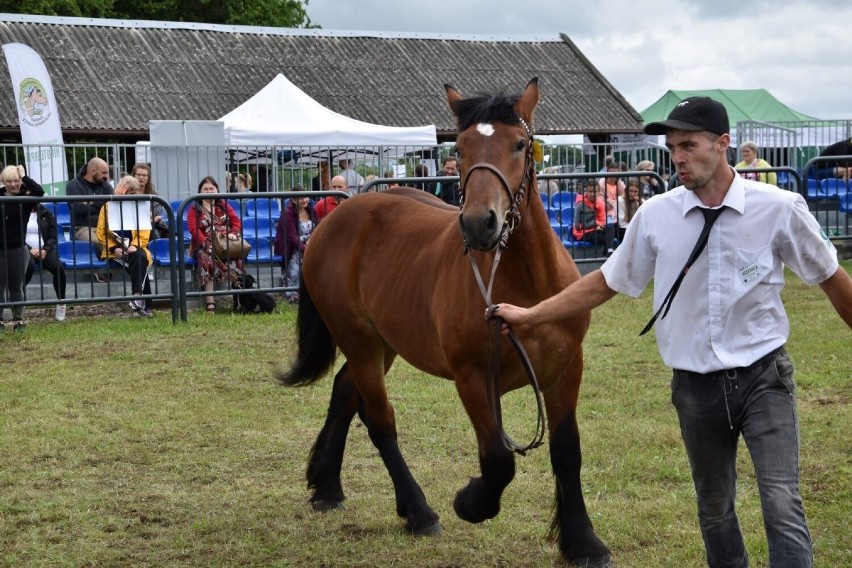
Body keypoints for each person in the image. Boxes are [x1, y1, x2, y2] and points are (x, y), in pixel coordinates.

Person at [488, 96, 852, 568]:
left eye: (688, 145)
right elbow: (603, 283)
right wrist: (530, 314)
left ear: (723, 145)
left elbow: (832, 281)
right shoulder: (656, 215)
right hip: (695, 387)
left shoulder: (780, 208)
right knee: (715, 510)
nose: (677, 157)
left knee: (781, 503)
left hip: (765, 378)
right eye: (671, 147)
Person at [96, 176, 154, 318]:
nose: (133, 195)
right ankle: (145, 304)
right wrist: (114, 248)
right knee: (140, 265)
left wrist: (135, 245)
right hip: (115, 252)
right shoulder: (107, 207)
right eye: (129, 192)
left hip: (135, 248)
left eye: (135, 192)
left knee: (140, 258)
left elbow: (145, 231)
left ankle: (137, 296)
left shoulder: (140, 206)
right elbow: (101, 232)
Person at [187, 176, 245, 313]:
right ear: (200, 191)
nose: (209, 191)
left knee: (238, 261)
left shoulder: (223, 205)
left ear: (217, 190)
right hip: (204, 244)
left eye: (211, 189)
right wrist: (206, 244)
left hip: (225, 243)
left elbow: (236, 221)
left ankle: (240, 301)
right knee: (207, 260)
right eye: (205, 189)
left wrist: (234, 233)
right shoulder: (195, 208)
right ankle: (210, 302)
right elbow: (194, 229)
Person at [1, 164, 45, 332]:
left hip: (18, 248)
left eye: (16, 181)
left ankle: (19, 320)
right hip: (0, 249)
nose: (13, 184)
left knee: (16, 286)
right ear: (3, 181)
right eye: (9, 181)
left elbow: (39, 191)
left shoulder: (25, 198)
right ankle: (0, 322)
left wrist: (25, 176)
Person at [66, 157, 113, 282]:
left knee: (122, 240)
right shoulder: (73, 185)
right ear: (93, 171)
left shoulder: (106, 186)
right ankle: (101, 271)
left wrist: (90, 202)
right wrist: (100, 205)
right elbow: (78, 209)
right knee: (100, 241)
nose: (107, 176)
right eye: (104, 173)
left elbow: (111, 206)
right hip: (82, 228)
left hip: (104, 227)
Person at [24, 202, 67, 321]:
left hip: (44, 249)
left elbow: (53, 237)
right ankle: (19, 301)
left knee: (58, 269)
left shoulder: (46, 212)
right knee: (29, 266)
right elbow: (16, 236)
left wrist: (45, 250)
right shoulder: (19, 212)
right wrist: (30, 249)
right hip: (26, 249)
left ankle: (61, 302)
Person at [274, 195, 318, 303]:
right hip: (291, 247)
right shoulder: (287, 214)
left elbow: (317, 227)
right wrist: (305, 249)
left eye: (306, 197)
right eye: (301, 198)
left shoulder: (311, 210)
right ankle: (293, 293)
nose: (305, 200)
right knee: (298, 257)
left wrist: (313, 243)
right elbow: (292, 237)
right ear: (293, 200)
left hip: (310, 243)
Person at [132, 163, 169, 239]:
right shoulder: (128, 191)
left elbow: (156, 212)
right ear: (133, 175)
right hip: (131, 224)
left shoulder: (154, 193)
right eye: (138, 175)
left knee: (154, 233)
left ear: (148, 177)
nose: (141, 177)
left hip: (150, 224)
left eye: (144, 175)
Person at [571, 179, 606, 250]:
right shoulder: (580, 204)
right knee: (605, 238)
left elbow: (602, 221)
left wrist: (598, 225)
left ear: (599, 192)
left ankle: (609, 251)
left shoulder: (600, 203)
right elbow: (577, 226)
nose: (592, 194)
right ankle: (608, 254)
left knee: (611, 230)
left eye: (595, 191)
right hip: (583, 233)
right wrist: (595, 222)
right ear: (586, 192)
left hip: (596, 230)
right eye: (590, 191)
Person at [598, 163, 624, 254]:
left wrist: (611, 201)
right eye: (611, 173)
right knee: (609, 224)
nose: (613, 176)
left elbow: (623, 199)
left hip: (618, 212)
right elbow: (601, 201)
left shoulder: (621, 184)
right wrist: (613, 202)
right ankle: (609, 249)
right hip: (605, 212)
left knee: (623, 226)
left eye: (615, 173)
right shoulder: (601, 183)